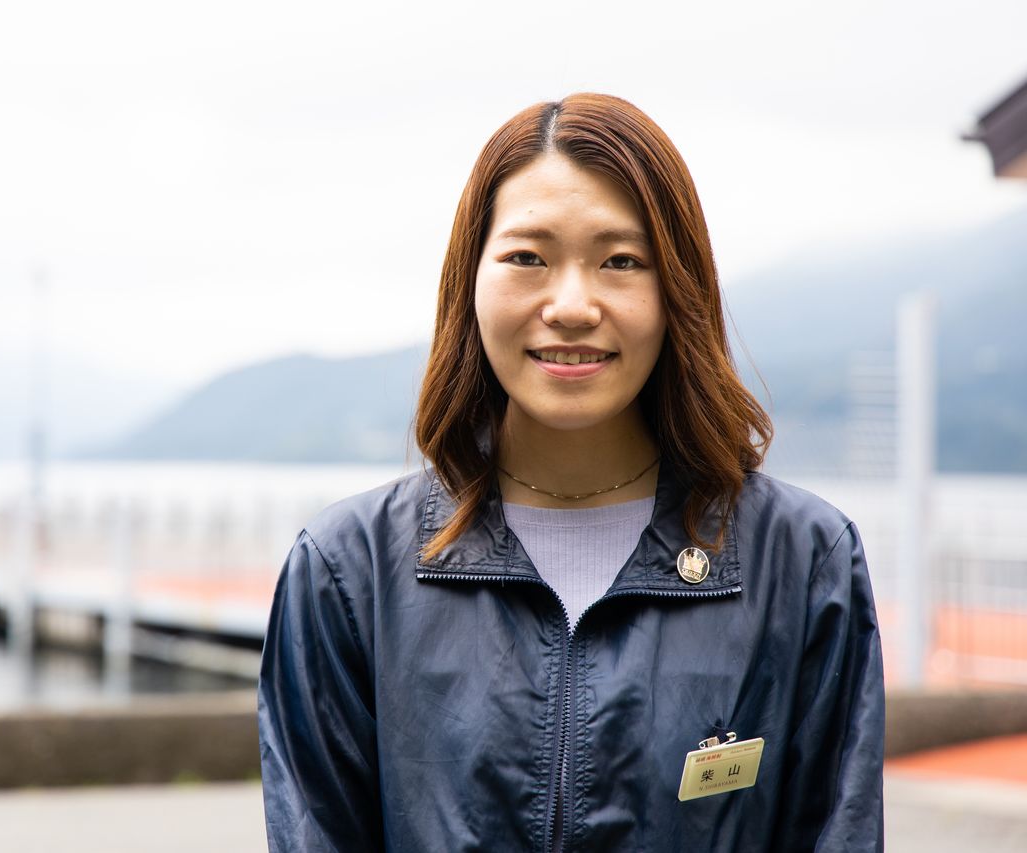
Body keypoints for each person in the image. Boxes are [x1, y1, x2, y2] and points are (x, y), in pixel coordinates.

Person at [257, 93, 885, 852]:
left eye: (621, 261)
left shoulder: (801, 559)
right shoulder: (347, 571)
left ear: (677, 289)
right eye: (528, 257)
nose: (573, 305)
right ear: (469, 281)